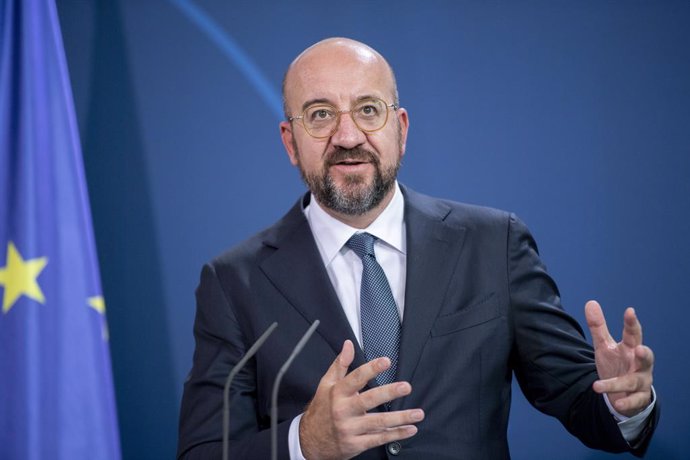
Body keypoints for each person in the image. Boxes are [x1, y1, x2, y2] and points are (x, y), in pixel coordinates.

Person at [177, 37, 658, 460]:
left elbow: (578, 400)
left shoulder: (493, 244)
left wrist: (623, 403)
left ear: (400, 129)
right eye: (321, 115)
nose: (348, 137)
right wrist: (305, 444)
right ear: (290, 141)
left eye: (368, 110)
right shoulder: (233, 282)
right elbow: (203, 452)